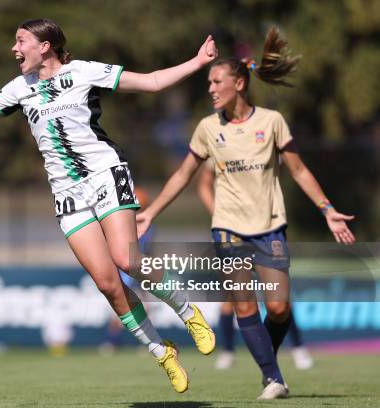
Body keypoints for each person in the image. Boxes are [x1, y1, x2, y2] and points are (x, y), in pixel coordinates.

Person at [0, 18, 217, 394]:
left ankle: (187, 312)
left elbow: (150, 82)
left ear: (46, 45)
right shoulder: (19, 89)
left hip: (105, 173)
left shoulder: (83, 72)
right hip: (68, 195)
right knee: (107, 284)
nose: (14, 49)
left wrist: (197, 62)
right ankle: (160, 350)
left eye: (20, 41)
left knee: (127, 259)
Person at [136, 26, 355, 399]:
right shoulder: (207, 129)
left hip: (270, 228)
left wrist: (328, 210)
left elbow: (299, 170)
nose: (210, 88)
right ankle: (273, 378)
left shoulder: (271, 122)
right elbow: (183, 175)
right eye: (207, 82)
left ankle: (267, 363)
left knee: (280, 307)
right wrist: (152, 211)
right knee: (242, 303)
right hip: (228, 230)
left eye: (216, 80)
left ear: (238, 84)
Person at [197, 161, 313, 371]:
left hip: (265, 230)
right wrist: (218, 213)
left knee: (280, 301)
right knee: (231, 298)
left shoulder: (265, 140)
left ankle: (297, 348)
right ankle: (228, 351)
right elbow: (203, 184)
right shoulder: (216, 141)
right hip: (229, 231)